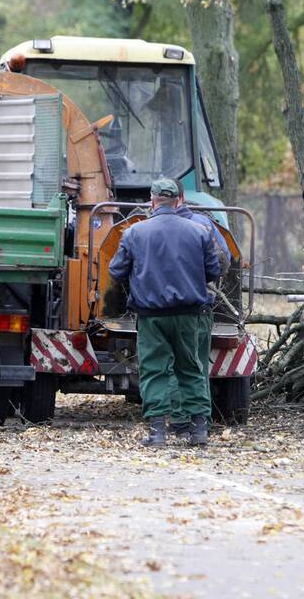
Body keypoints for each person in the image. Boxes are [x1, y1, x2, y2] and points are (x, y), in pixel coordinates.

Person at [109, 178, 221, 447]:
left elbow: (116, 271)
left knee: (154, 370)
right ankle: (199, 431)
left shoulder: (135, 233)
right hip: (189, 315)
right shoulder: (200, 231)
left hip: (151, 316)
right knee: (192, 369)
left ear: (152, 200)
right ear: (179, 200)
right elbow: (214, 271)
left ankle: (158, 432)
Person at [169, 182, 231, 438]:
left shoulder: (144, 226)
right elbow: (223, 262)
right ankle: (199, 424)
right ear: (183, 198)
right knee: (195, 365)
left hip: (159, 307)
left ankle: (179, 423)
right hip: (199, 306)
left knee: (172, 365)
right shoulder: (206, 226)